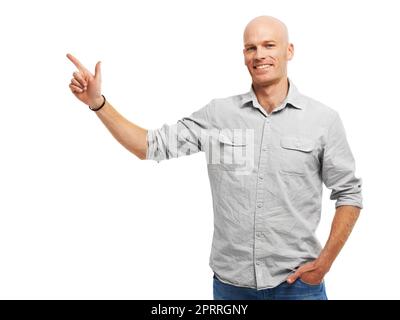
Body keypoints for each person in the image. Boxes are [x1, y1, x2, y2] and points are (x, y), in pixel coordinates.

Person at [66, 15, 362, 300]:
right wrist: (98, 104)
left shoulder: (323, 120)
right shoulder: (219, 115)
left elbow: (349, 194)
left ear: (289, 50)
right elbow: (149, 145)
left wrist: (325, 263)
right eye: (251, 47)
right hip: (231, 286)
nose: (259, 54)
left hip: (299, 286)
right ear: (244, 55)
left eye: (269, 45)